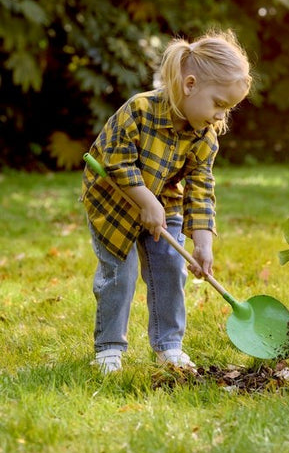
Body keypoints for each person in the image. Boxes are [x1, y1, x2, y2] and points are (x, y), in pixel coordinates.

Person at [81, 30, 252, 374]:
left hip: (164, 202)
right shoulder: (139, 110)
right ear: (190, 85)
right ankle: (109, 348)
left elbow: (201, 188)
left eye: (228, 109)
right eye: (218, 104)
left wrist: (202, 242)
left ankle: (169, 345)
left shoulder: (204, 135)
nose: (221, 116)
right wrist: (144, 200)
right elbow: (115, 161)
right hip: (113, 202)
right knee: (121, 274)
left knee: (171, 268)